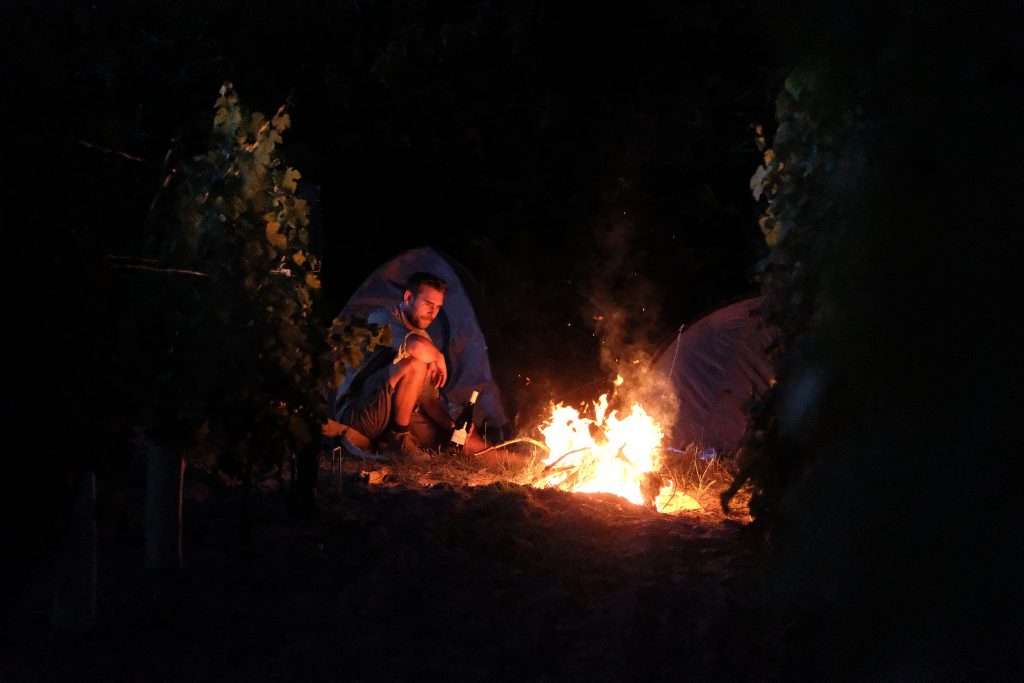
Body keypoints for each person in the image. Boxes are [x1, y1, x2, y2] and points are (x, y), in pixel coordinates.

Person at [322, 271, 497, 463]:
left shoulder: (425, 340)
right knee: (415, 363)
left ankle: (515, 458)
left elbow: (429, 400)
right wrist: (437, 357)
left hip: (394, 416)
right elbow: (413, 346)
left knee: (457, 437)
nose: (433, 313)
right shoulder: (381, 318)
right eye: (428, 304)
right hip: (360, 414)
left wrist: (452, 424)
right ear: (408, 297)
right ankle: (399, 438)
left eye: (438, 307)